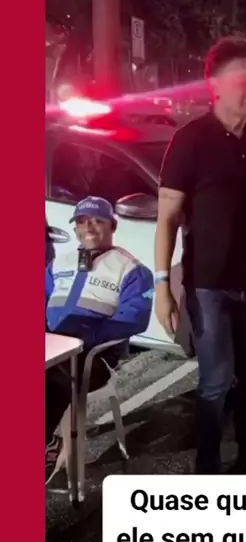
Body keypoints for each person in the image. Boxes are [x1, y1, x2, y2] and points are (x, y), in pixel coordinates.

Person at [154, 36, 246, 475]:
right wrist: (163, 287)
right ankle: (207, 464)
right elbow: (166, 218)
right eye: (244, 81)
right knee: (216, 379)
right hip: (208, 285)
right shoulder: (189, 141)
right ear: (215, 85)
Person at [45, 196, 154, 481]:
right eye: (82, 222)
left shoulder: (132, 270)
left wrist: (87, 337)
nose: (89, 228)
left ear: (113, 225)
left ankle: (45, 444)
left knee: (51, 379)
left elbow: (135, 319)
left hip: (94, 356)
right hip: (54, 346)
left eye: (97, 221)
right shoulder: (60, 263)